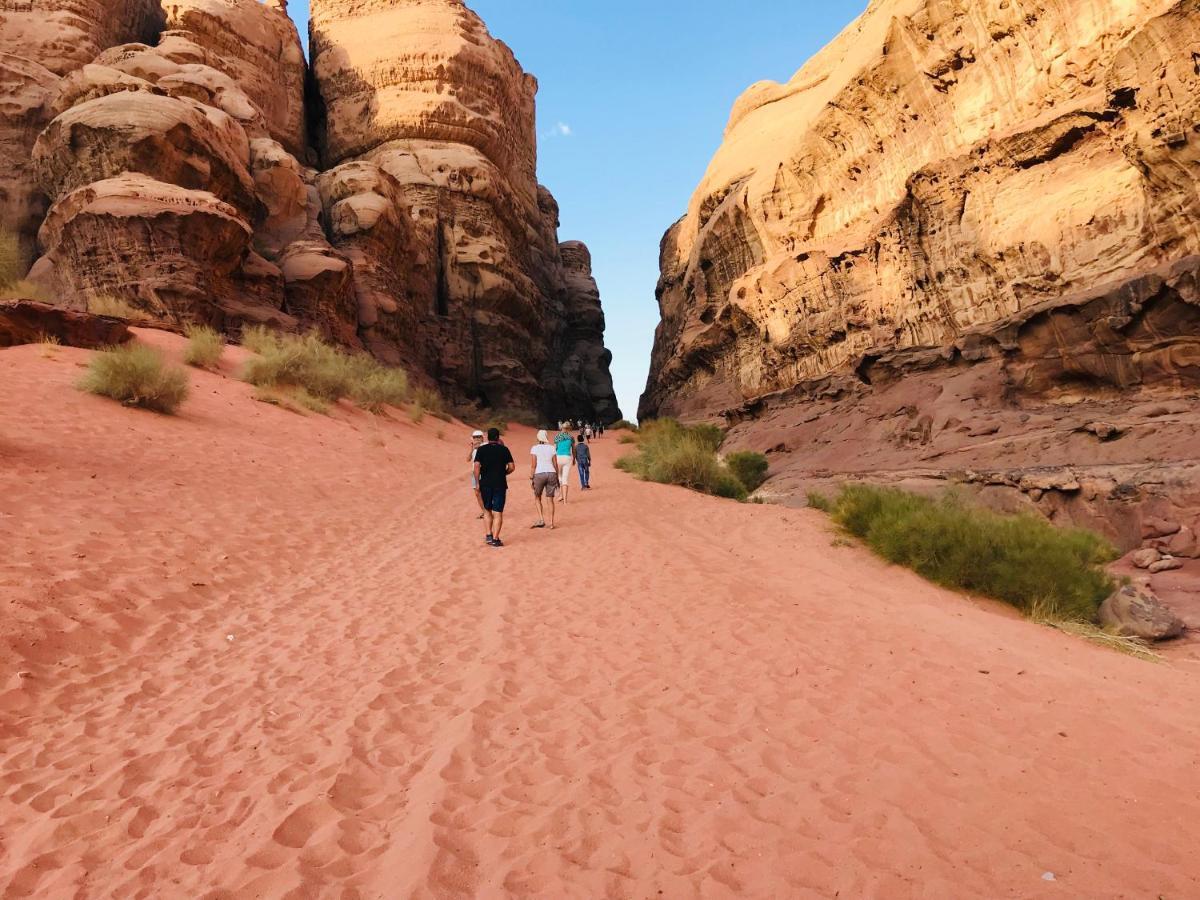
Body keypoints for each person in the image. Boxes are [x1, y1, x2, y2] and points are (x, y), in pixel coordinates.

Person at [473, 427, 515, 547]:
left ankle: (488, 535)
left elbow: (476, 467)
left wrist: (477, 482)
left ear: (488, 437)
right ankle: (496, 539)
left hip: (485, 483)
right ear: (498, 438)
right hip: (500, 484)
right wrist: (504, 473)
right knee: (498, 512)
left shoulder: (481, 450)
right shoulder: (504, 450)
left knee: (487, 510)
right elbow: (512, 467)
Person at [529, 430, 560, 529]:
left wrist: (531, 476)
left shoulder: (534, 448)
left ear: (538, 438)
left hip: (539, 473)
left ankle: (541, 519)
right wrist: (557, 476)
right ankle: (551, 522)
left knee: (537, 497)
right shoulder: (552, 448)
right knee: (550, 499)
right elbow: (555, 464)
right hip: (551, 473)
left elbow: (533, 464)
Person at [553, 423, 575, 503]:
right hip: (567, 458)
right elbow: (573, 449)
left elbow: (554, 449)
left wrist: (553, 459)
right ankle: (565, 501)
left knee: (559, 477)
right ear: (568, 429)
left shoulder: (557, 437)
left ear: (561, 428)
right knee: (565, 478)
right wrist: (574, 459)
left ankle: (560, 495)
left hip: (558, 457)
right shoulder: (571, 437)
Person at [468, 430, 486, 518]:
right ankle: (484, 511)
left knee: (485, 491)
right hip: (474, 472)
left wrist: (475, 446)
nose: (477, 439)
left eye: (478, 437)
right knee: (477, 493)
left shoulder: (485, 445)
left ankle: (489, 510)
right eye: (475, 437)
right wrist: (471, 449)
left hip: (484, 471)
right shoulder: (474, 448)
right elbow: (468, 459)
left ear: (482, 438)